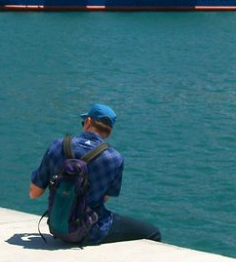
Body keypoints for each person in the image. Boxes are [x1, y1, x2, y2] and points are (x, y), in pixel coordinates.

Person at [27, 103, 160, 244]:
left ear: (88, 121)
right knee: (153, 232)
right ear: (110, 131)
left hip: (57, 226)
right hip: (92, 230)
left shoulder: (57, 146)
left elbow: (34, 193)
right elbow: (105, 198)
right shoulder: (114, 158)